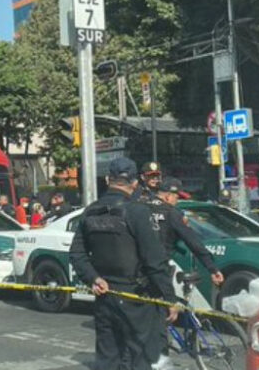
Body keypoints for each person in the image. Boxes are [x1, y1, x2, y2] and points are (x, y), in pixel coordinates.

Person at [70, 157, 178, 370]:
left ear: (108, 179)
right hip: (135, 297)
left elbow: (76, 253)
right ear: (135, 183)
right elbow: (154, 261)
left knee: (108, 358)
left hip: (105, 294)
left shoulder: (90, 211)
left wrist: (93, 277)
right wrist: (169, 299)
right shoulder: (137, 212)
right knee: (139, 358)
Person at [149, 177, 224, 286]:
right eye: (176, 197)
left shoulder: (141, 207)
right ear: (168, 196)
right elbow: (192, 242)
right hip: (161, 268)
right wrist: (212, 268)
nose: (177, 201)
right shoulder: (172, 213)